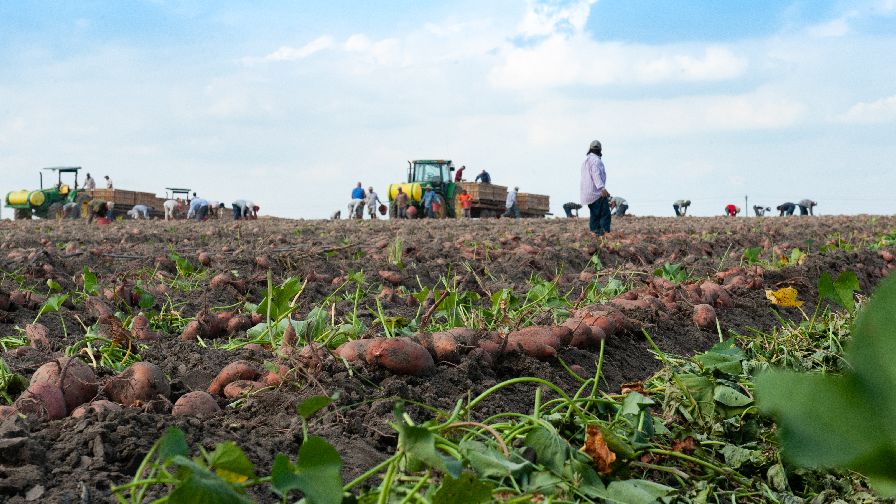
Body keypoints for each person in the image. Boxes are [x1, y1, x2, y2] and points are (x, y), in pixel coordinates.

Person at [581, 139, 611, 236]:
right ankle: (604, 234)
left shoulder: (586, 161)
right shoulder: (596, 161)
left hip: (587, 193)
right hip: (596, 193)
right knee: (605, 214)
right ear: (600, 150)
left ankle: (594, 233)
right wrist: (602, 188)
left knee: (594, 214)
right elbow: (596, 174)